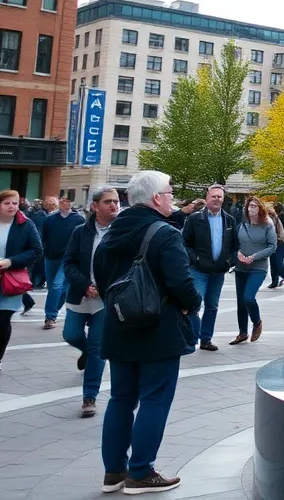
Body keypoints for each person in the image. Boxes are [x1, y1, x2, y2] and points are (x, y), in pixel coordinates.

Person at [93, 170, 202, 494]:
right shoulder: (165, 234)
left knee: (121, 399)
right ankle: (140, 472)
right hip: (159, 330)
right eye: (169, 192)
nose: (172, 198)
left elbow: (101, 277)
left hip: (119, 324)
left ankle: (114, 471)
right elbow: (181, 282)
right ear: (157, 198)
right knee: (155, 398)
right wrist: (191, 305)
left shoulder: (112, 232)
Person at [62, 187, 119, 418]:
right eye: (108, 202)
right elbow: (69, 263)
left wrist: (104, 288)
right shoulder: (80, 232)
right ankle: (83, 351)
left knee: (98, 348)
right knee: (71, 334)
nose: (114, 205)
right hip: (80, 294)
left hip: (105, 299)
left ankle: (89, 397)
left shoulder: (121, 231)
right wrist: (85, 285)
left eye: (116, 201)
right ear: (95, 206)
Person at [181, 185, 236, 352]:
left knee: (212, 306)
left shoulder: (230, 220)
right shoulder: (195, 219)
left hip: (218, 272)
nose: (217, 199)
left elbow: (235, 246)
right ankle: (191, 338)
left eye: (220, 197)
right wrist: (195, 260)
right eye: (214, 196)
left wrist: (229, 262)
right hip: (198, 271)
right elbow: (185, 243)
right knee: (194, 305)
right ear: (207, 198)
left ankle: (206, 339)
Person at [0, 189, 43, 374]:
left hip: (10, 280)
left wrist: (11, 261)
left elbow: (36, 250)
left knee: (2, 321)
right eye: (7, 203)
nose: (11, 207)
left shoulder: (25, 224)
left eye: (15, 203)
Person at [230, 197, 277, 345]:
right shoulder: (242, 224)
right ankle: (242, 332)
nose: (251, 209)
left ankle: (257, 322)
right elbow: (234, 243)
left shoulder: (267, 226)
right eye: (249, 206)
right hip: (241, 267)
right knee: (240, 301)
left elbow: (272, 246)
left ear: (260, 209)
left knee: (248, 297)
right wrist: (238, 253)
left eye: (254, 206)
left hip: (258, 267)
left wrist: (254, 257)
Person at [41, 196, 85, 330]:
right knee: (55, 288)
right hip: (50, 257)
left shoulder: (78, 219)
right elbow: (44, 237)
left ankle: (50, 316)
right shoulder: (49, 219)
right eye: (62, 201)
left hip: (66, 258)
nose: (64, 203)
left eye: (67, 200)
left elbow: (82, 240)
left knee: (57, 286)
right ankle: (54, 309)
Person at [26, 196, 49, 288]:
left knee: (37, 263)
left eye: (39, 203)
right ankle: (32, 281)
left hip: (40, 241)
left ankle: (35, 281)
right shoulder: (29, 214)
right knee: (33, 263)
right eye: (36, 203)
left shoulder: (43, 215)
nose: (37, 205)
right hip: (34, 241)